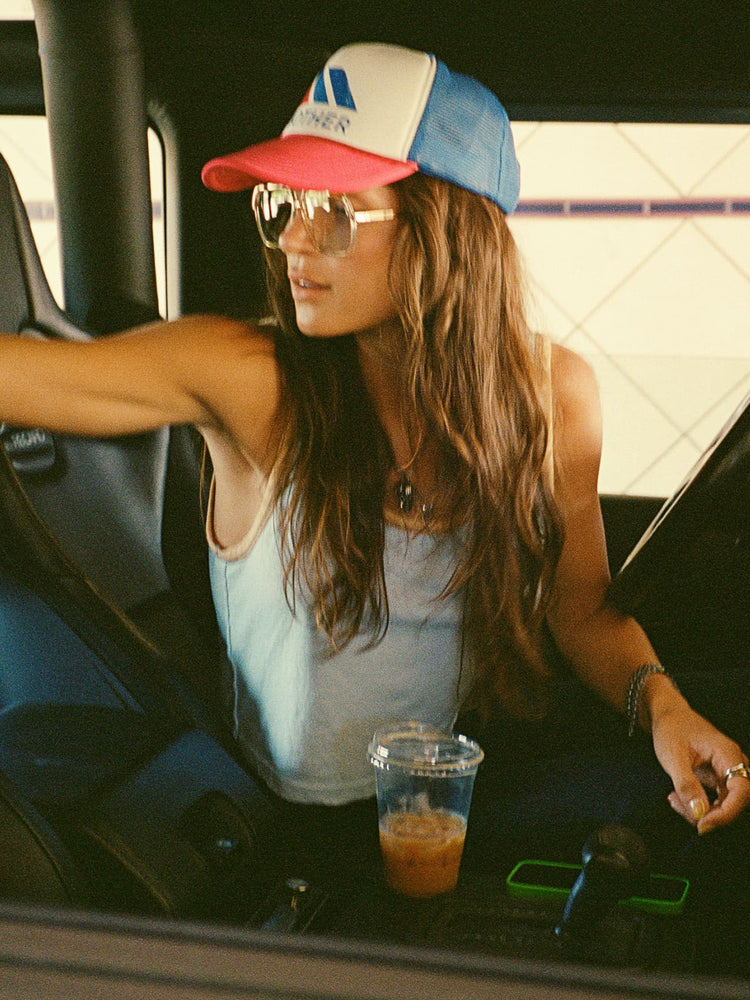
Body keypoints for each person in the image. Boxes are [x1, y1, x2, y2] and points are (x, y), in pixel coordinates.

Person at [0, 44, 748, 849]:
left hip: (445, 795)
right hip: (281, 830)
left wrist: (667, 711)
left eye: (336, 211)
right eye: (285, 204)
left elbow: (582, 613)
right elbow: (29, 381)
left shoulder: (550, 394)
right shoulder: (253, 381)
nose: (293, 239)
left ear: (443, 231)